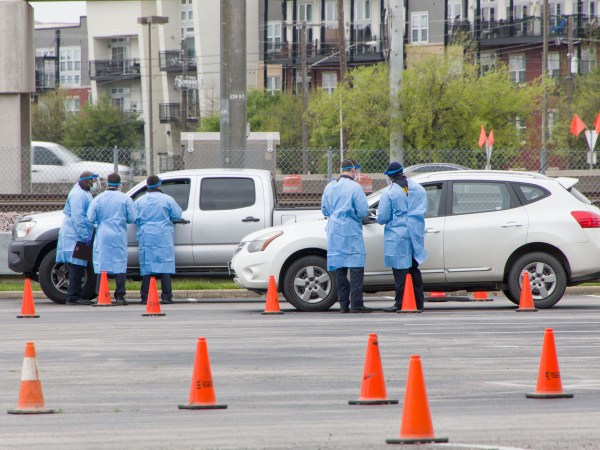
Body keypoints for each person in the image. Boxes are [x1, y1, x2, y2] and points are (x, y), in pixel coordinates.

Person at [321, 159, 372, 313]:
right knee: (356, 267)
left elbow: (324, 209)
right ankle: (356, 304)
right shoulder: (355, 188)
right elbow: (363, 211)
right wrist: (354, 217)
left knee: (339, 269)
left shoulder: (330, 187)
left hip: (334, 231)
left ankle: (343, 305)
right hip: (351, 230)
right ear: (354, 170)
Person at [377, 162, 428, 312]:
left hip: (398, 233)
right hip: (415, 231)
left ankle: (400, 303)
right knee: (414, 268)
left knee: (400, 270)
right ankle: (418, 302)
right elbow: (424, 208)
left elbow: (382, 217)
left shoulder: (389, 192)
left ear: (390, 176)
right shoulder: (419, 188)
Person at [87, 173, 137, 305]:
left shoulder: (98, 198)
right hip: (118, 234)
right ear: (120, 184)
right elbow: (132, 218)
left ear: (107, 183)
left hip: (103, 234)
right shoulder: (124, 199)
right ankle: (120, 296)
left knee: (102, 262)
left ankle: (101, 293)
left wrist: (101, 220)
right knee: (119, 263)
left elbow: (90, 217)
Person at [135, 175, 183, 305]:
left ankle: (145, 296)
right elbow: (177, 214)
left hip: (146, 236)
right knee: (165, 265)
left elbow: (134, 217)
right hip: (163, 235)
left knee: (147, 265)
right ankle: (166, 296)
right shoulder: (167, 199)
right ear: (159, 185)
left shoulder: (140, 201)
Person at [56, 171, 99, 305]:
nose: (94, 184)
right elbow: (78, 218)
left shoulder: (83, 192)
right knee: (76, 267)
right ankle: (73, 297)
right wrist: (85, 236)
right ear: (87, 182)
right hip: (75, 236)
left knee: (79, 266)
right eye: (93, 181)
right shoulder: (78, 196)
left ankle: (76, 295)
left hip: (78, 235)